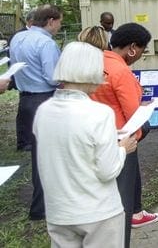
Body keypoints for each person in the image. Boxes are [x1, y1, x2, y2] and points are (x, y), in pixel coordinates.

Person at [33, 42, 138, 248]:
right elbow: (107, 170)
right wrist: (122, 149)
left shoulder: (43, 111)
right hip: (98, 211)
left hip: (59, 211)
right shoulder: (100, 114)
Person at [87, 22, 155, 247]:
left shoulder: (95, 62)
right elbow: (134, 117)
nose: (140, 57)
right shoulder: (121, 71)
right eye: (142, 52)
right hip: (120, 143)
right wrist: (142, 129)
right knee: (121, 205)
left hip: (91, 141)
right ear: (133, 48)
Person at [10, 4, 62, 220]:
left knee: (38, 155)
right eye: (59, 22)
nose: (60, 26)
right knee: (50, 156)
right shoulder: (46, 43)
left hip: (26, 100)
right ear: (50, 21)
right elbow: (53, 77)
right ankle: (43, 207)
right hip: (45, 99)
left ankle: (40, 205)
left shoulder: (18, 38)